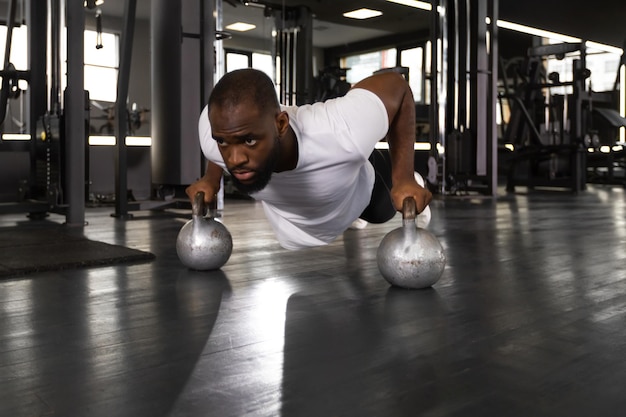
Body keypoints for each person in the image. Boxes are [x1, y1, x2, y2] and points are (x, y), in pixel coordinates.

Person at [186, 68, 432, 250]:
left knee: (380, 212)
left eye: (249, 140)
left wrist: (404, 178)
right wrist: (210, 179)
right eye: (223, 142)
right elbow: (224, 140)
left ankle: (416, 184)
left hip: (359, 189)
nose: (234, 159)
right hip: (311, 211)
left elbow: (396, 85)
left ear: (281, 125)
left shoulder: (341, 131)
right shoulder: (213, 135)